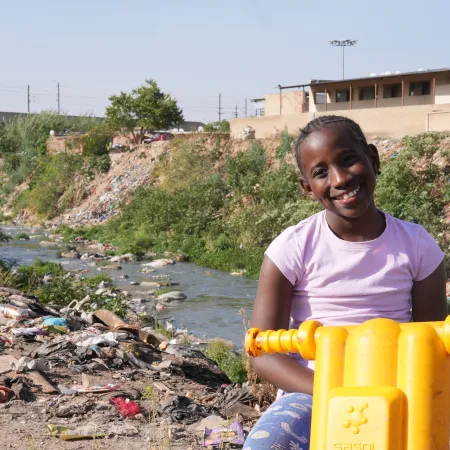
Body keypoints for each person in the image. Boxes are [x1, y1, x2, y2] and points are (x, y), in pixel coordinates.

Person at [243, 115, 447, 450]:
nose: (339, 178)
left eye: (349, 159)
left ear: (373, 159)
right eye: (321, 172)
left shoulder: (418, 245)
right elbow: (262, 353)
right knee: (267, 444)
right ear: (307, 187)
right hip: (312, 394)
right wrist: (333, 386)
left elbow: (433, 343)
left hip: (401, 390)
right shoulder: (291, 248)